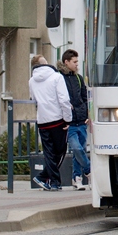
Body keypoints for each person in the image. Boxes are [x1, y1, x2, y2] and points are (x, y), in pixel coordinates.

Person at [28, 55, 72, 191]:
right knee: (60, 151)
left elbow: (33, 98)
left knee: (49, 152)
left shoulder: (31, 81)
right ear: (45, 63)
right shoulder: (57, 77)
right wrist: (68, 118)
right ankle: (49, 179)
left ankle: (50, 180)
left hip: (42, 120)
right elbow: (64, 100)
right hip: (57, 119)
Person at [59, 49, 90, 191]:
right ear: (66, 62)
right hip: (69, 121)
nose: (77, 64)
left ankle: (77, 178)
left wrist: (87, 114)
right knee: (76, 148)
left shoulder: (79, 78)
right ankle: (89, 170)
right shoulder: (60, 78)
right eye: (75, 62)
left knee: (81, 150)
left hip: (81, 119)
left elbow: (84, 97)